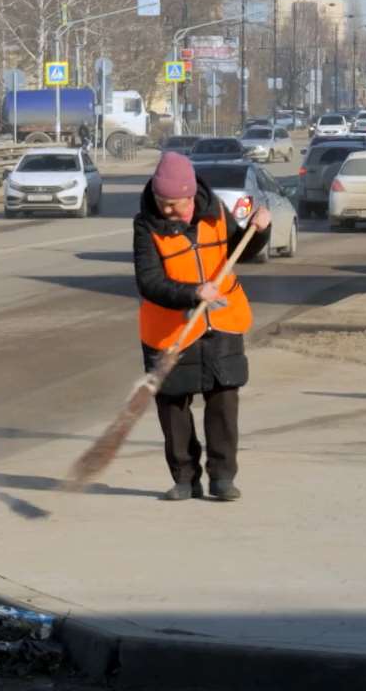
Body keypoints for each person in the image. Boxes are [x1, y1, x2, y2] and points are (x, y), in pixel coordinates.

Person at [133, 151, 270, 501]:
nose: (168, 210)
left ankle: (223, 477)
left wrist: (259, 230)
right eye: (163, 203)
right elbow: (149, 282)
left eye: (175, 204)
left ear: (191, 196)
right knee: (174, 407)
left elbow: (243, 248)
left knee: (224, 400)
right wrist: (193, 292)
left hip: (222, 322)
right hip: (170, 331)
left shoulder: (216, 213)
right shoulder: (146, 225)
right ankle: (184, 479)